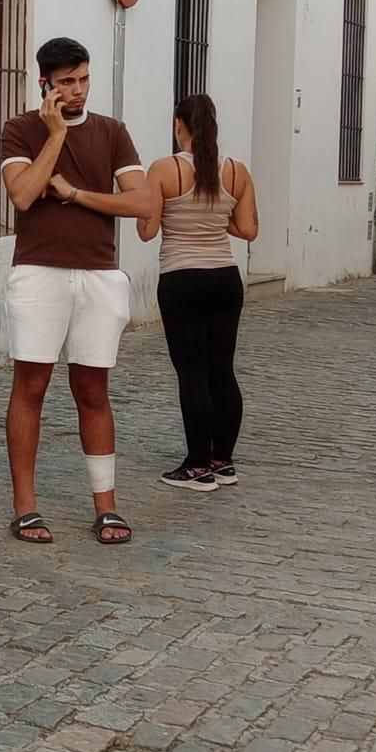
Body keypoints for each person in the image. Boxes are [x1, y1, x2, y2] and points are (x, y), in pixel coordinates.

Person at [0, 37, 152, 545]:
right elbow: (22, 195)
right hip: (39, 271)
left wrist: (74, 193)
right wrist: (56, 135)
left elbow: (142, 204)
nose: (78, 90)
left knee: (93, 389)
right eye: (67, 81)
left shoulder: (112, 132)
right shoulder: (21, 129)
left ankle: (106, 506)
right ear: (45, 82)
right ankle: (26, 508)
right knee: (32, 386)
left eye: (83, 78)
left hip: (99, 274)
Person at [136, 93, 259, 491]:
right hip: (225, 278)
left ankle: (196, 465)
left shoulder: (163, 169)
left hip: (181, 279)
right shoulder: (237, 171)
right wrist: (213, 219)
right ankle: (223, 460)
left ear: (179, 126)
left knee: (192, 373)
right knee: (222, 371)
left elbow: (147, 230)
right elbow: (248, 229)